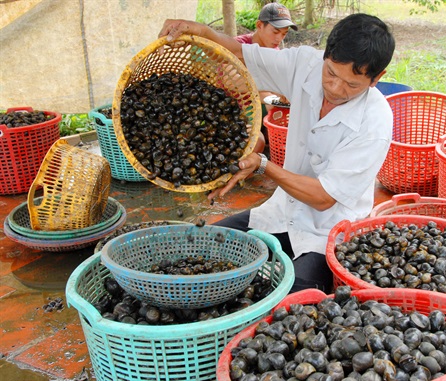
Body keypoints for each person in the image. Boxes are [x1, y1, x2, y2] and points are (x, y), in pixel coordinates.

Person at [159, 13, 395, 293]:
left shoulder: (375, 122)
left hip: (330, 232)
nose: (335, 88)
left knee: (289, 299)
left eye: (351, 85)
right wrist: (201, 31)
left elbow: (323, 198)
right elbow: (241, 53)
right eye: (330, 73)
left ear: (377, 78)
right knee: (203, 244)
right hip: (283, 210)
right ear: (326, 55)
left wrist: (263, 165)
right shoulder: (306, 64)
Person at [235, 2, 297, 154]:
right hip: (235, 106)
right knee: (256, 142)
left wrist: (281, 93)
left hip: (257, 104)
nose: (279, 39)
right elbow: (234, 83)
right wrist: (272, 89)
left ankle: (274, 148)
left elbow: (268, 92)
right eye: (275, 32)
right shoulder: (238, 46)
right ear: (259, 25)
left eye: (284, 34)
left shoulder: (275, 52)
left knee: (284, 110)